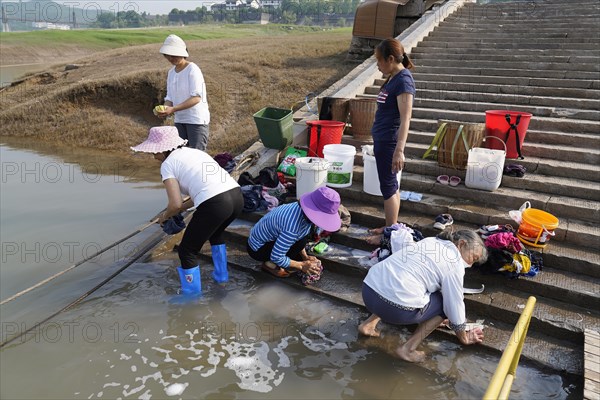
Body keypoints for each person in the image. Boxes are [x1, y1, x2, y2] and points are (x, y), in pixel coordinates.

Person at [131, 126, 243, 295]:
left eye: (154, 152)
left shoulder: (167, 164)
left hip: (215, 204)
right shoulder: (196, 153)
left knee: (187, 251)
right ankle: (221, 277)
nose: (153, 156)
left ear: (163, 149)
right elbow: (198, 195)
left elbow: (175, 204)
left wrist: (164, 216)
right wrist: (177, 209)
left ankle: (191, 297)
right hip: (236, 197)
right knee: (215, 234)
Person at [358, 230, 488, 363]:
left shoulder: (430, 240)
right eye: (473, 257)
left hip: (368, 291)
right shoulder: (454, 262)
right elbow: (454, 305)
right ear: (461, 244)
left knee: (398, 282)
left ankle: (368, 324)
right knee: (445, 305)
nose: (470, 264)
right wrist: (464, 337)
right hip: (395, 309)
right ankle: (407, 349)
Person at [367, 38, 416, 243]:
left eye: (379, 60)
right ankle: (391, 227)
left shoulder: (404, 80)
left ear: (390, 58)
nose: (377, 65)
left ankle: (389, 235)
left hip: (390, 142)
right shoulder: (394, 77)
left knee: (388, 187)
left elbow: (406, 119)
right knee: (390, 186)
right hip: (383, 140)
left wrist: (399, 150)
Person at [247, 187, 341, 278]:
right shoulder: (292, 228)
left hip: (272, 237)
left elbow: (300, 237)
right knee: (287, 254)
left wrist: (305, 257)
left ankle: (291, 259)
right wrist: (301, 265)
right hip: (258, 248)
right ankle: (269, 264)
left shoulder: (301, 210)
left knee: (302, 241)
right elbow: (277, 256)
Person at [157, 34, 211, 151]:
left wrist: (173, 109)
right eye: (168, 55)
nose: (171, 58)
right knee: (182, 156)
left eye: (174, 54)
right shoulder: (171, 73)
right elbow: (169, 98)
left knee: (197, 156)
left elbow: (196, 97)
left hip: (195, 120)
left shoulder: (192, 69)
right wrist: (165, 108)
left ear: (183, 53)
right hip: (180, 120)